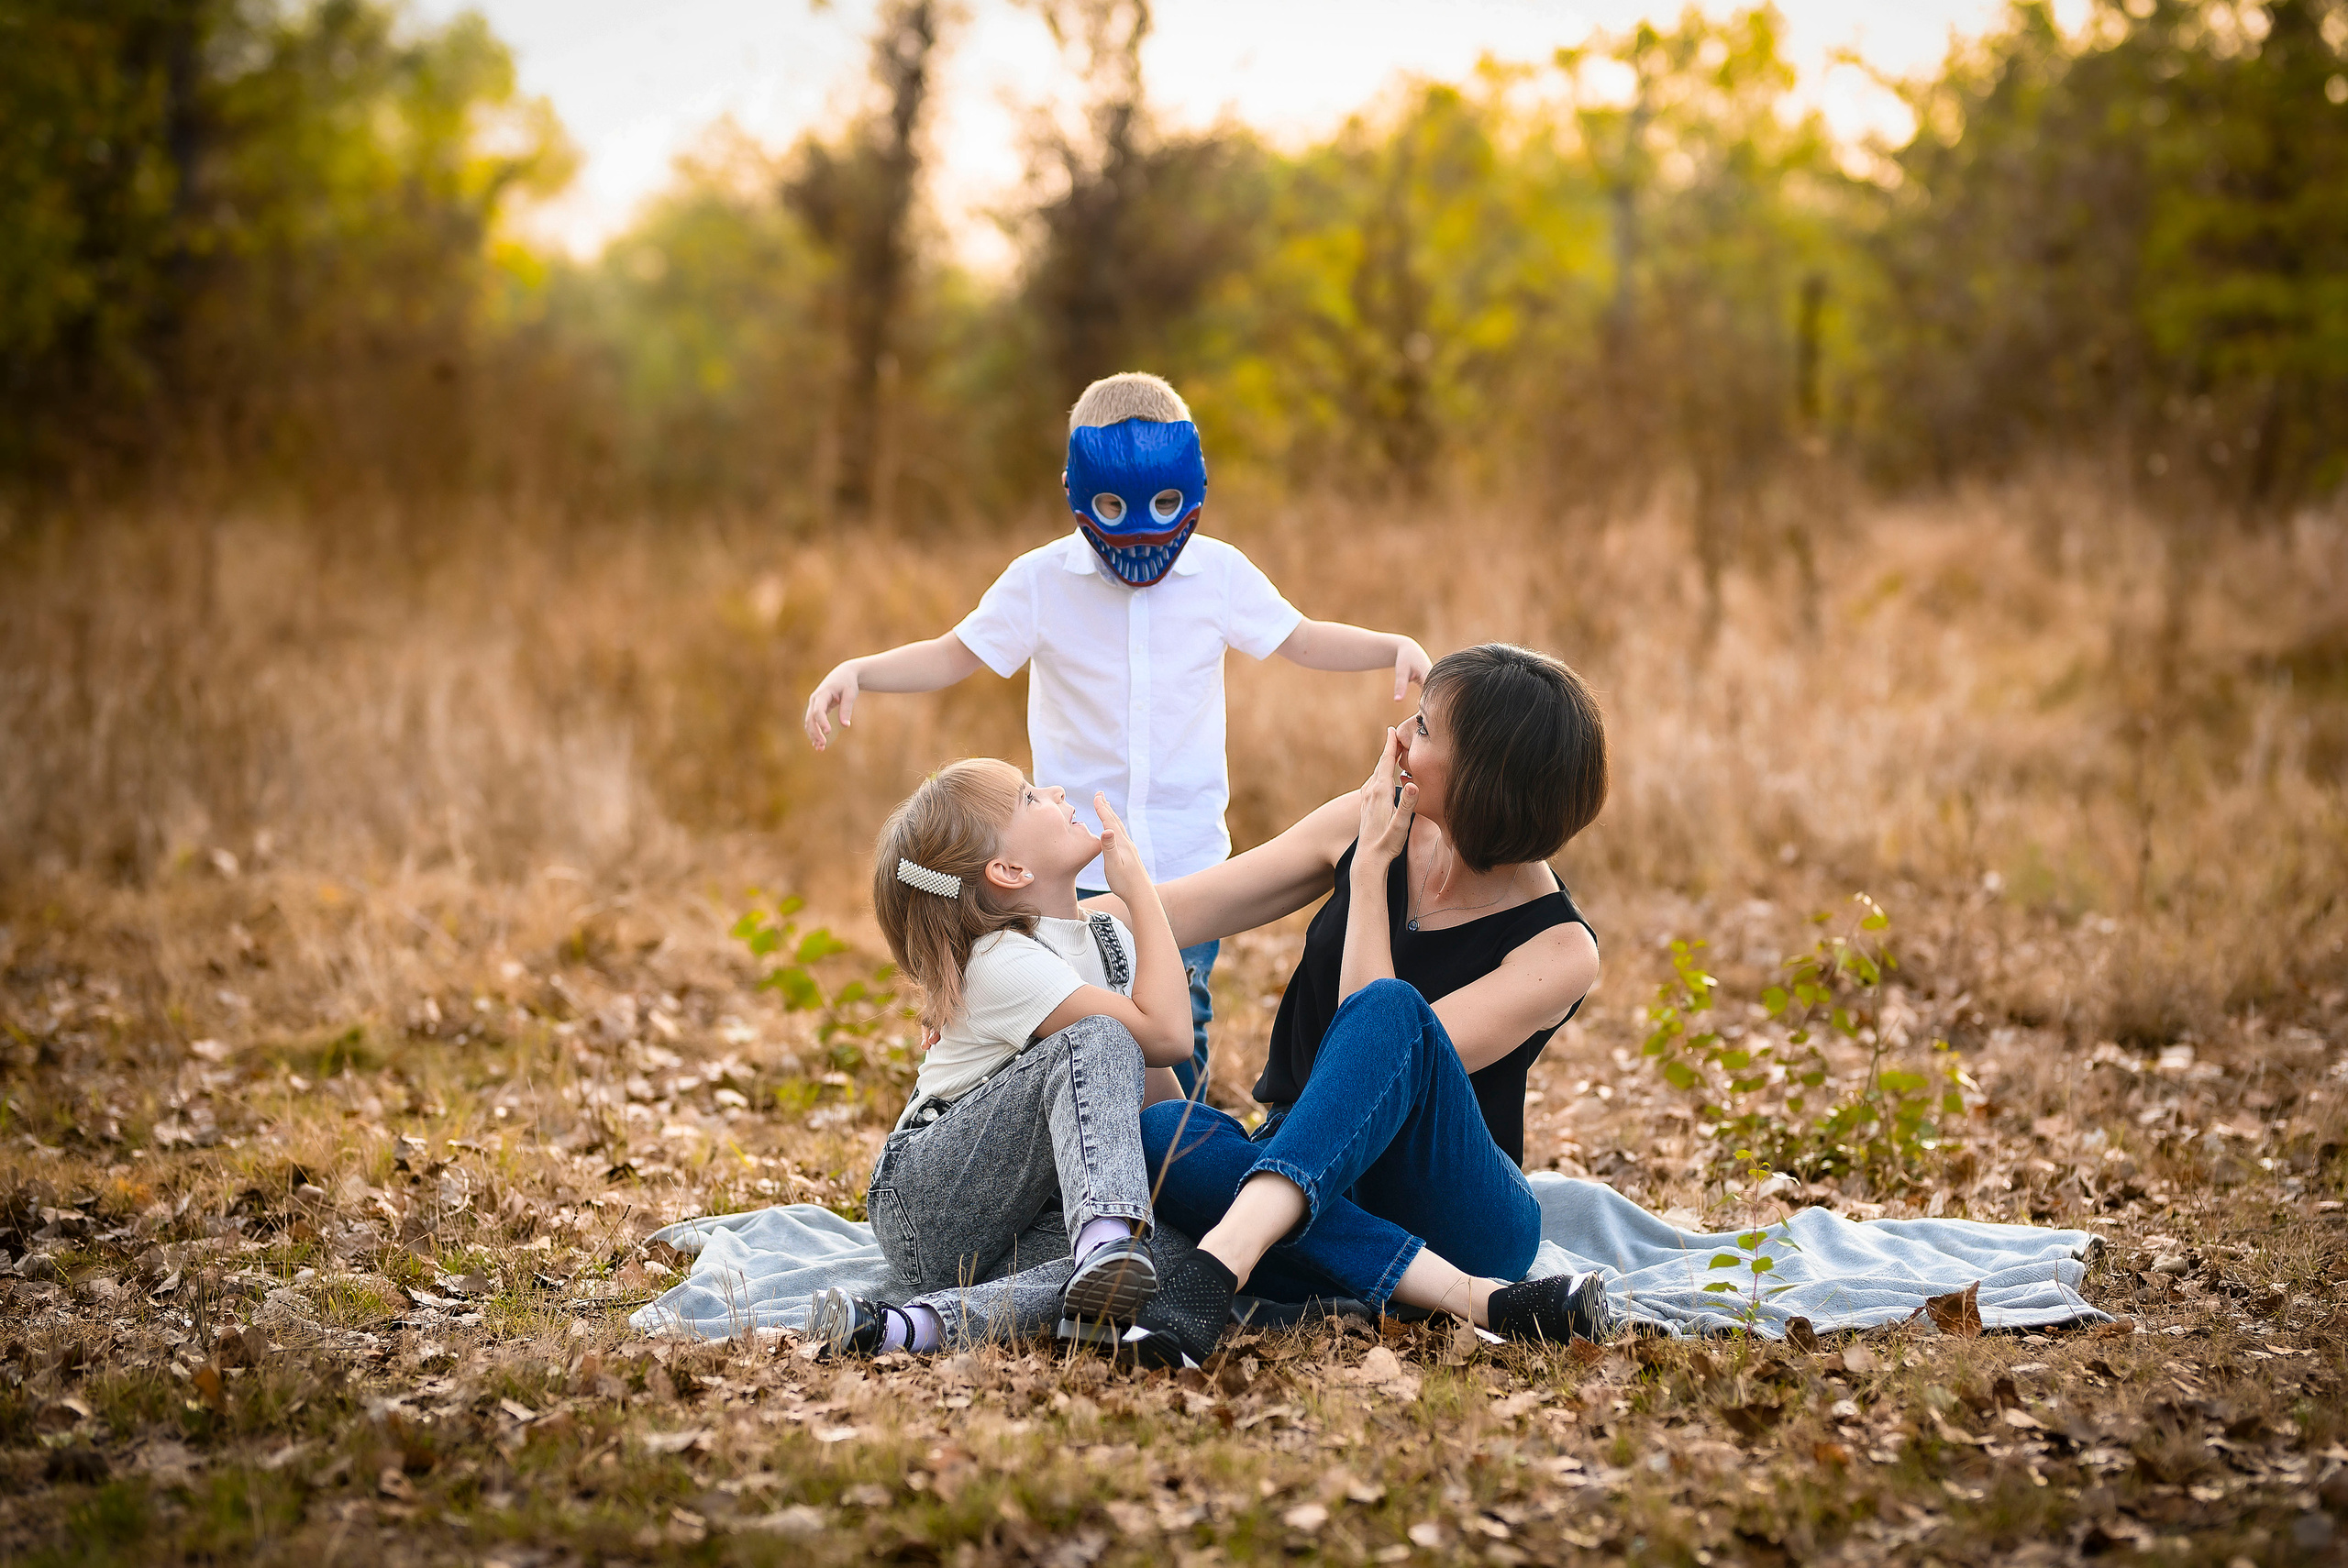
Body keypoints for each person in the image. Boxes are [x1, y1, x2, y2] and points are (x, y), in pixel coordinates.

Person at [802, 371, 1431, 1101]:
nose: (1140, 529)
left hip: (1185, 860)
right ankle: (1087, 1163)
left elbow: (1301, 638)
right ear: (1077, 492)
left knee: (1178, 1018)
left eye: (1165, 504)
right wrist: (861, 671)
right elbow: (954, 652)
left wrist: (1391, 646)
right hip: (1070, 866)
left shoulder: (1218, 574)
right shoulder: (1041, 581)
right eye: (1113, 506)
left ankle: (1182, 1170)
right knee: (1075, 1031)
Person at [1098, 644, 1622, 1364]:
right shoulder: (1363, 820)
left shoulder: (1559, 950)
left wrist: (1372, 870)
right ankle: (1459, 1297)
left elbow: (1371, 1044)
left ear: (1487, 778)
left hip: (1457, 1208)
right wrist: (1010, 930)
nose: (1399, 739)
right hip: (1310, 1176)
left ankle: (1220, 1261)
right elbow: (1169, 913)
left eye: (1427, 729)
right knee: (1162, 1135)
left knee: (1393, 1012)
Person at [804, 761, 1197, 1357]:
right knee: (1106, 1036)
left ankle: (909, 1328)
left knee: (1173, 1251)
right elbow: (1168, 1035)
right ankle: (1106, 1242)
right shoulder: (1001, 960)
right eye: (1031, 796)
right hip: (928, 1205)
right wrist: (1137, 887)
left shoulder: (1105, 944)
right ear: (1008, 870)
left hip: (1024, 1220)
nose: (1058, 792)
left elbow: (1164, 1112)